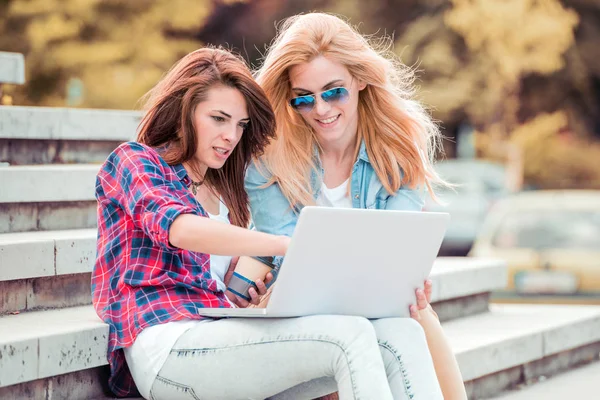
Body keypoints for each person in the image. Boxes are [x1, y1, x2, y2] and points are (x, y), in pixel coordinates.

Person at [92, 47, 443, 400]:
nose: (231, 135)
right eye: (219, 118)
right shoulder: (135, 161)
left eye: (240, 125)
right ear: (184, 111)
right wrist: (285, 244)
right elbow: (180, 230)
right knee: (348, 335)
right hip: (167, 348)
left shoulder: (222, 191)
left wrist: (247, 292)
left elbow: (217, 282)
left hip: (219, 337)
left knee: (400, 334)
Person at [246, 13, 468, 400]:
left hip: (379, 301)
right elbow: (283, 251)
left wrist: (401, 279)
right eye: (304, 98)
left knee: (417, 318)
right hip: (304, 307)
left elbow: (396, 249)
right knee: (371, 332)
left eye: (334, 92)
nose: (320, 109)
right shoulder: (268, 161)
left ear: (360, 79)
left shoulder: (398, 148)